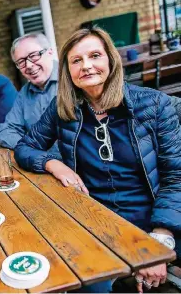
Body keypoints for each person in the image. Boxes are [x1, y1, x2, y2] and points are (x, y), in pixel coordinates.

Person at [15, 27, 181, 293]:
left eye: (95, 56)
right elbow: (24, 147)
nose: (87, 66)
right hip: (98, 223)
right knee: (81, 284)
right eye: (76, 61)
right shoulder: (63, 109)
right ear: (68, 71)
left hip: (155, 218)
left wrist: (160, 241)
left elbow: (176, 176)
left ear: (110, 60)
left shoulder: (154, 105)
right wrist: (52, 164)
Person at [0, 32, 60, 157]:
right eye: (21, 62)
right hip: (39, 164)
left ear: (50, 52)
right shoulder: (24, 93)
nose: (29, 65)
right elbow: (5, 131)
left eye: (34, 55)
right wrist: (32, 151)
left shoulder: (73, 78)